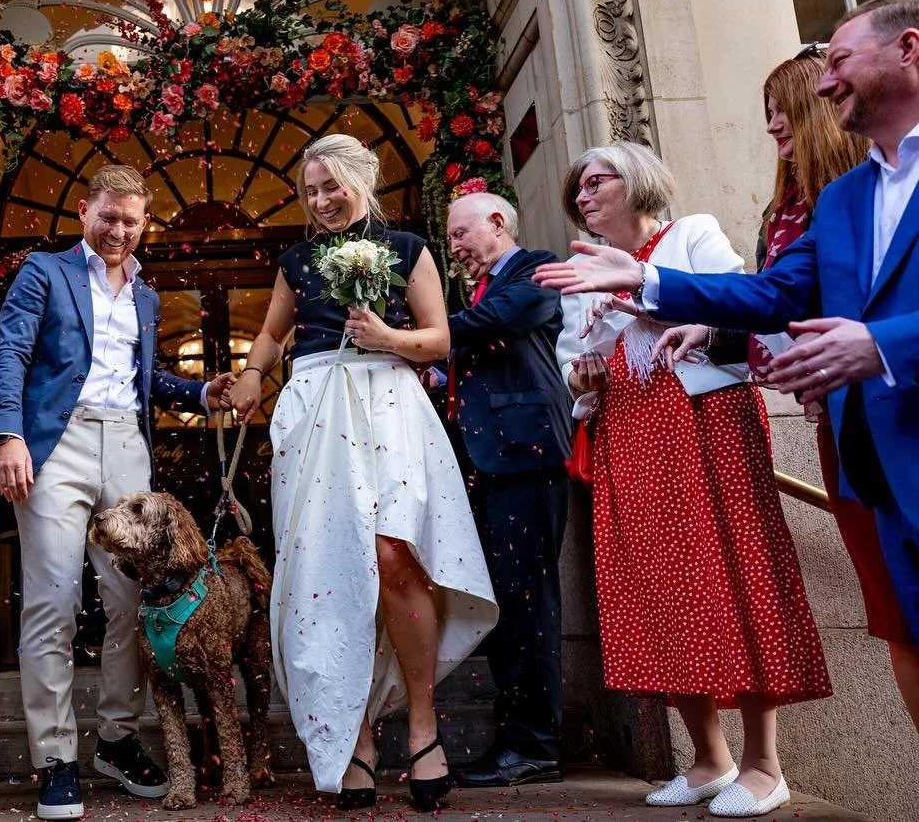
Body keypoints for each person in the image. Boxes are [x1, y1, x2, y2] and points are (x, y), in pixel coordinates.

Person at [536, 0, 919, 735]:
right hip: (872, 456)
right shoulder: (841, 199)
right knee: (907, 630)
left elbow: (860, 327)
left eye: (837, 62)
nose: (826, 82)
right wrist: (643, 281)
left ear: (907, 49)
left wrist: (883, 346)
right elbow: (772, 294)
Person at [542, 142, 831, 818]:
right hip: (632, 433)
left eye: (597, 181)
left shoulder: (692, 233)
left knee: (734, 580)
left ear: (637, 181)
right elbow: (573, 362)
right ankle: (707, 759)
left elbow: (747, 310)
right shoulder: (581, 269)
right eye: (576, 189)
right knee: (663, 592)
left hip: (705, 422)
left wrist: (677, 320)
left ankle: (764, 765)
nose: (583, 196)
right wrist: (582, 379)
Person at [224, 135, 498, 812]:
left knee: (394, 555)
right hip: (315, 411)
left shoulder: (407, 249)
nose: (320, 201)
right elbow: (272, 334)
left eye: (331, 187)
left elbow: (437, 337)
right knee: (332, 569)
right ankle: (357, 736)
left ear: (361, 180)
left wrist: (389, 340)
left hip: (389, 405)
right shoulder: (295, 259)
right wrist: (254, 375)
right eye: (310, 191)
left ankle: (426, 727)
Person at [660, 50, 919, 730]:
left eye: (784, 106)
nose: (774, 124)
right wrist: (707, 330)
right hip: (847, 433)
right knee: (898, 615)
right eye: (765, 111)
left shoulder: (863, 196)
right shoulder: (801, 208)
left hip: (906, 415)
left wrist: (868, 350)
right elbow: (775, 303)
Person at [0, 164, 233, 821]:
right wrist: (7, 434)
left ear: (144, 222)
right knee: (52, 601)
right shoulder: (44, 272)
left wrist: (199, 393)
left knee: (132, 602)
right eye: (109, 217)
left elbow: (142, 375)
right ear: (85, 213)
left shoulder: (145, 294)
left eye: (131, 220)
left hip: (126, 446)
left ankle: (118, 739)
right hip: (55, 445)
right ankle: (56, 757)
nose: (119, 229)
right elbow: (9, 351)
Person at [441, 192, 570, 788]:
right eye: (450, 238)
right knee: (505, 609)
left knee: (528, 608)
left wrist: (411, 336)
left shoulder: (534, 271)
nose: (455, 246)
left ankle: (535, 745)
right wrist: (436, 369)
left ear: (498, 223)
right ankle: (515, 739)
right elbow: (481, 357)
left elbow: (497, 323)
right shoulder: (475, 292)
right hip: (487, 465)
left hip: (524, 460)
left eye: (461, 233)